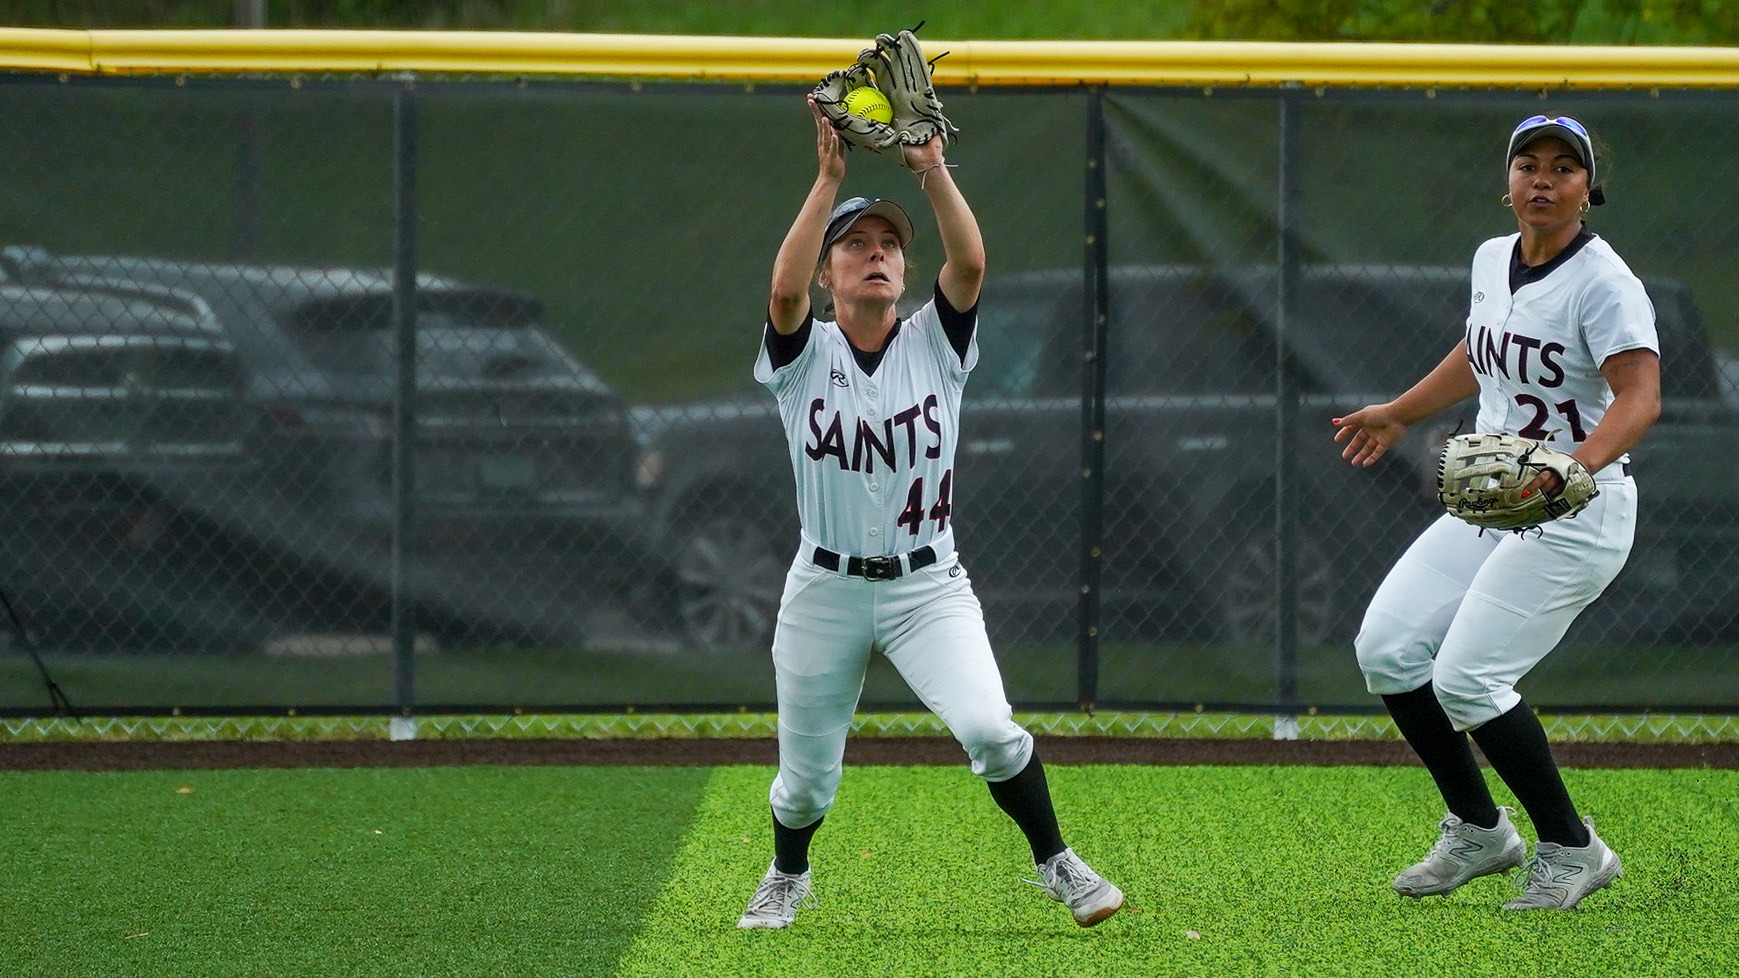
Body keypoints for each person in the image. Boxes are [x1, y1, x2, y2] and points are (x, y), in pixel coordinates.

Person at [735, 96, 1124, 930]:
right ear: (829, 274)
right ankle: (786, 873)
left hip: (928, 586)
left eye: (888, 248)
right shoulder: (804, 357)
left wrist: (933, 169)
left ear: (904, 274)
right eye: (856, 247)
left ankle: (1057, 862)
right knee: (805, 783)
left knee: (989, 725)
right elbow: (778, 286)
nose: (876, 256)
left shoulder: (934, 344)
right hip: (826, 586)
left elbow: (972, 265)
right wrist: (828, 179)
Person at [1332, 114, 1660, 910]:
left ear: (1588, 188)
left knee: (1469, 678)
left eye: (1562, 168)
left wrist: (1568, 470)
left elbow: (1639, 397)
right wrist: (1401, 411)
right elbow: (1479, 348)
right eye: (1527, 164)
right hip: (1496, 500)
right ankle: (1480, 830)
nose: (1542, 180)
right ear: (1507, 181)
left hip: (1578, 510)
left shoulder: (1603, 282)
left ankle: (1572, 848)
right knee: (1385, 649)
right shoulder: (1491, 257)